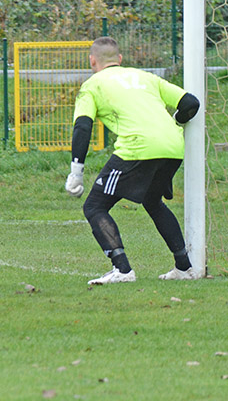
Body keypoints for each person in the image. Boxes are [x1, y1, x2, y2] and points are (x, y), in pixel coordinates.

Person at [65, 36, 200, 285]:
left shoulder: (92, 85)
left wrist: (76, 171)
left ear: (92, 60)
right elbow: (191, 103)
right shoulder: (146, 77)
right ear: (119, 59)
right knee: (153, 202)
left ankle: (123, 270)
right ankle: (184, 268)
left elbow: (83, 127)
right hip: (172, 146)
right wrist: (178, 122)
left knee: (94, 206)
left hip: (138, 147)